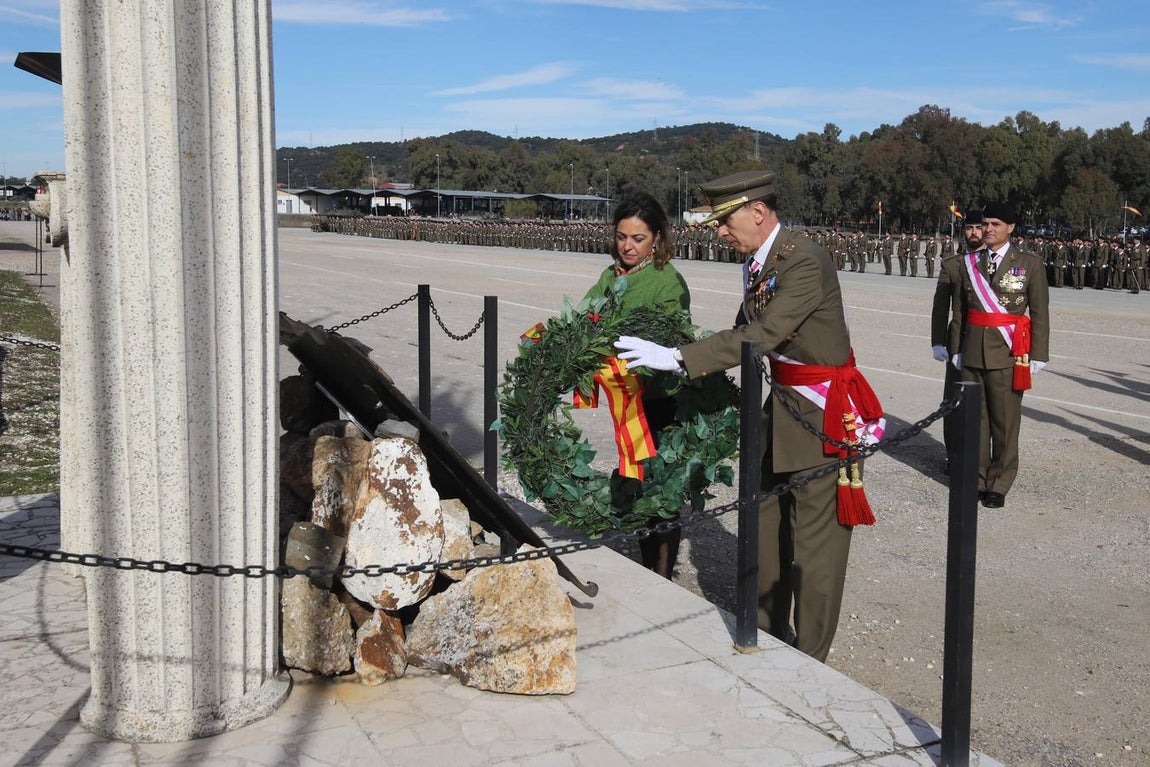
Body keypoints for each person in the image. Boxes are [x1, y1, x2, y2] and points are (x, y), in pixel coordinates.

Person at [614, 170, 884, 662]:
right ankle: (766, 632)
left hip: (822, 415)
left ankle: (810, 657)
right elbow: (747, 327)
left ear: (757, 212)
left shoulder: (804, 261)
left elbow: (766, 333)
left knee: (813, 548)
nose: (719, 232)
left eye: (725, 221)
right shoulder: (762, 261)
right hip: (780, 407)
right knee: (765, 527)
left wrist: (679, 357)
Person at [582, 191, 690, 580]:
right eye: (621, 236)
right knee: (639, 481)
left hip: (659, 402)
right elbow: (586, 315)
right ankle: (649, 565)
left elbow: (671, 339)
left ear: (658, 238)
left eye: (638, 238)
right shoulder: (610, 276)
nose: (627, 246)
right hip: (627, 399)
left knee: (662, 489)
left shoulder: (667, 281)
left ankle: (662, 574)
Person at [950, 202, 1049, 509]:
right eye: (985, 224)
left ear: (1011, 228)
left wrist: (1039, 354)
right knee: (974, 422)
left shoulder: (1029, 264)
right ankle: (977, 479)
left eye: (995, 224)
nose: (988, 229)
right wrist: (955, 348)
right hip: (972, 352)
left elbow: (1040, 312)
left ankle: (999, 482)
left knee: (1004, 423)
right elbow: (960, 311)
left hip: (1009, 353)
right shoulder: (970, 262)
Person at [932, 210, 984, 473]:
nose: (973, 232)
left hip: (990, 344)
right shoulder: (953, 264)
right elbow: (941, 306)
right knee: (953, 402)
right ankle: (953, 455)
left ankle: (982, 460)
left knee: (987, 405)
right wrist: (938, 342)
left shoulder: (999, 263)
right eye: (969, 228)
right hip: (958, 344)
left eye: (978, 227)